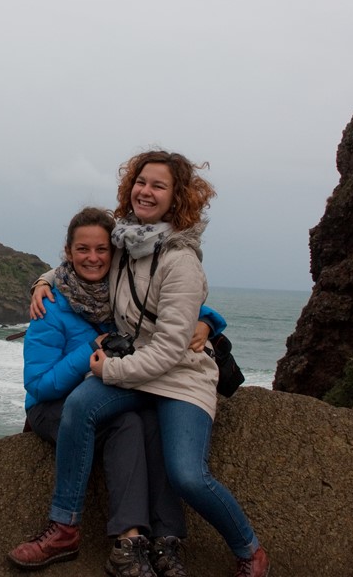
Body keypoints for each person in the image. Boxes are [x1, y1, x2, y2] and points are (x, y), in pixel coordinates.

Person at [16, 150, 270, 577]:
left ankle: (249, 550)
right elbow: (81, 258)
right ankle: (65, 527)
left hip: (178, 376)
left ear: (177, 197)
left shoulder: (180, 259)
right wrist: (43, 280)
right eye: (141, 182)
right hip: (139, 369)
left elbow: (173, 339)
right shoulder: (126, 243)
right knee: (83, 407)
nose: (146, 191)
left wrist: (202, 324)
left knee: (187, 474)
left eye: (159, 185)